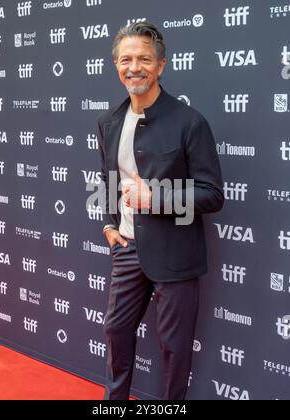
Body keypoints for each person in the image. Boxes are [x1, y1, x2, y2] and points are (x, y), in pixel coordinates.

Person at [96, 22, 224, 400]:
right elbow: (107, 180)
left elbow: (213, 195)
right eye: (126, 59)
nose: (134, 67)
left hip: (175, 253)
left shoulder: (190, 122)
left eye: (144, 59)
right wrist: (108, 223)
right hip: (128, 251)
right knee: (116, 332)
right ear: (117, 66)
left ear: (161, 65)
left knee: (174, 346)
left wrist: (155, 198)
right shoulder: (108, 122)